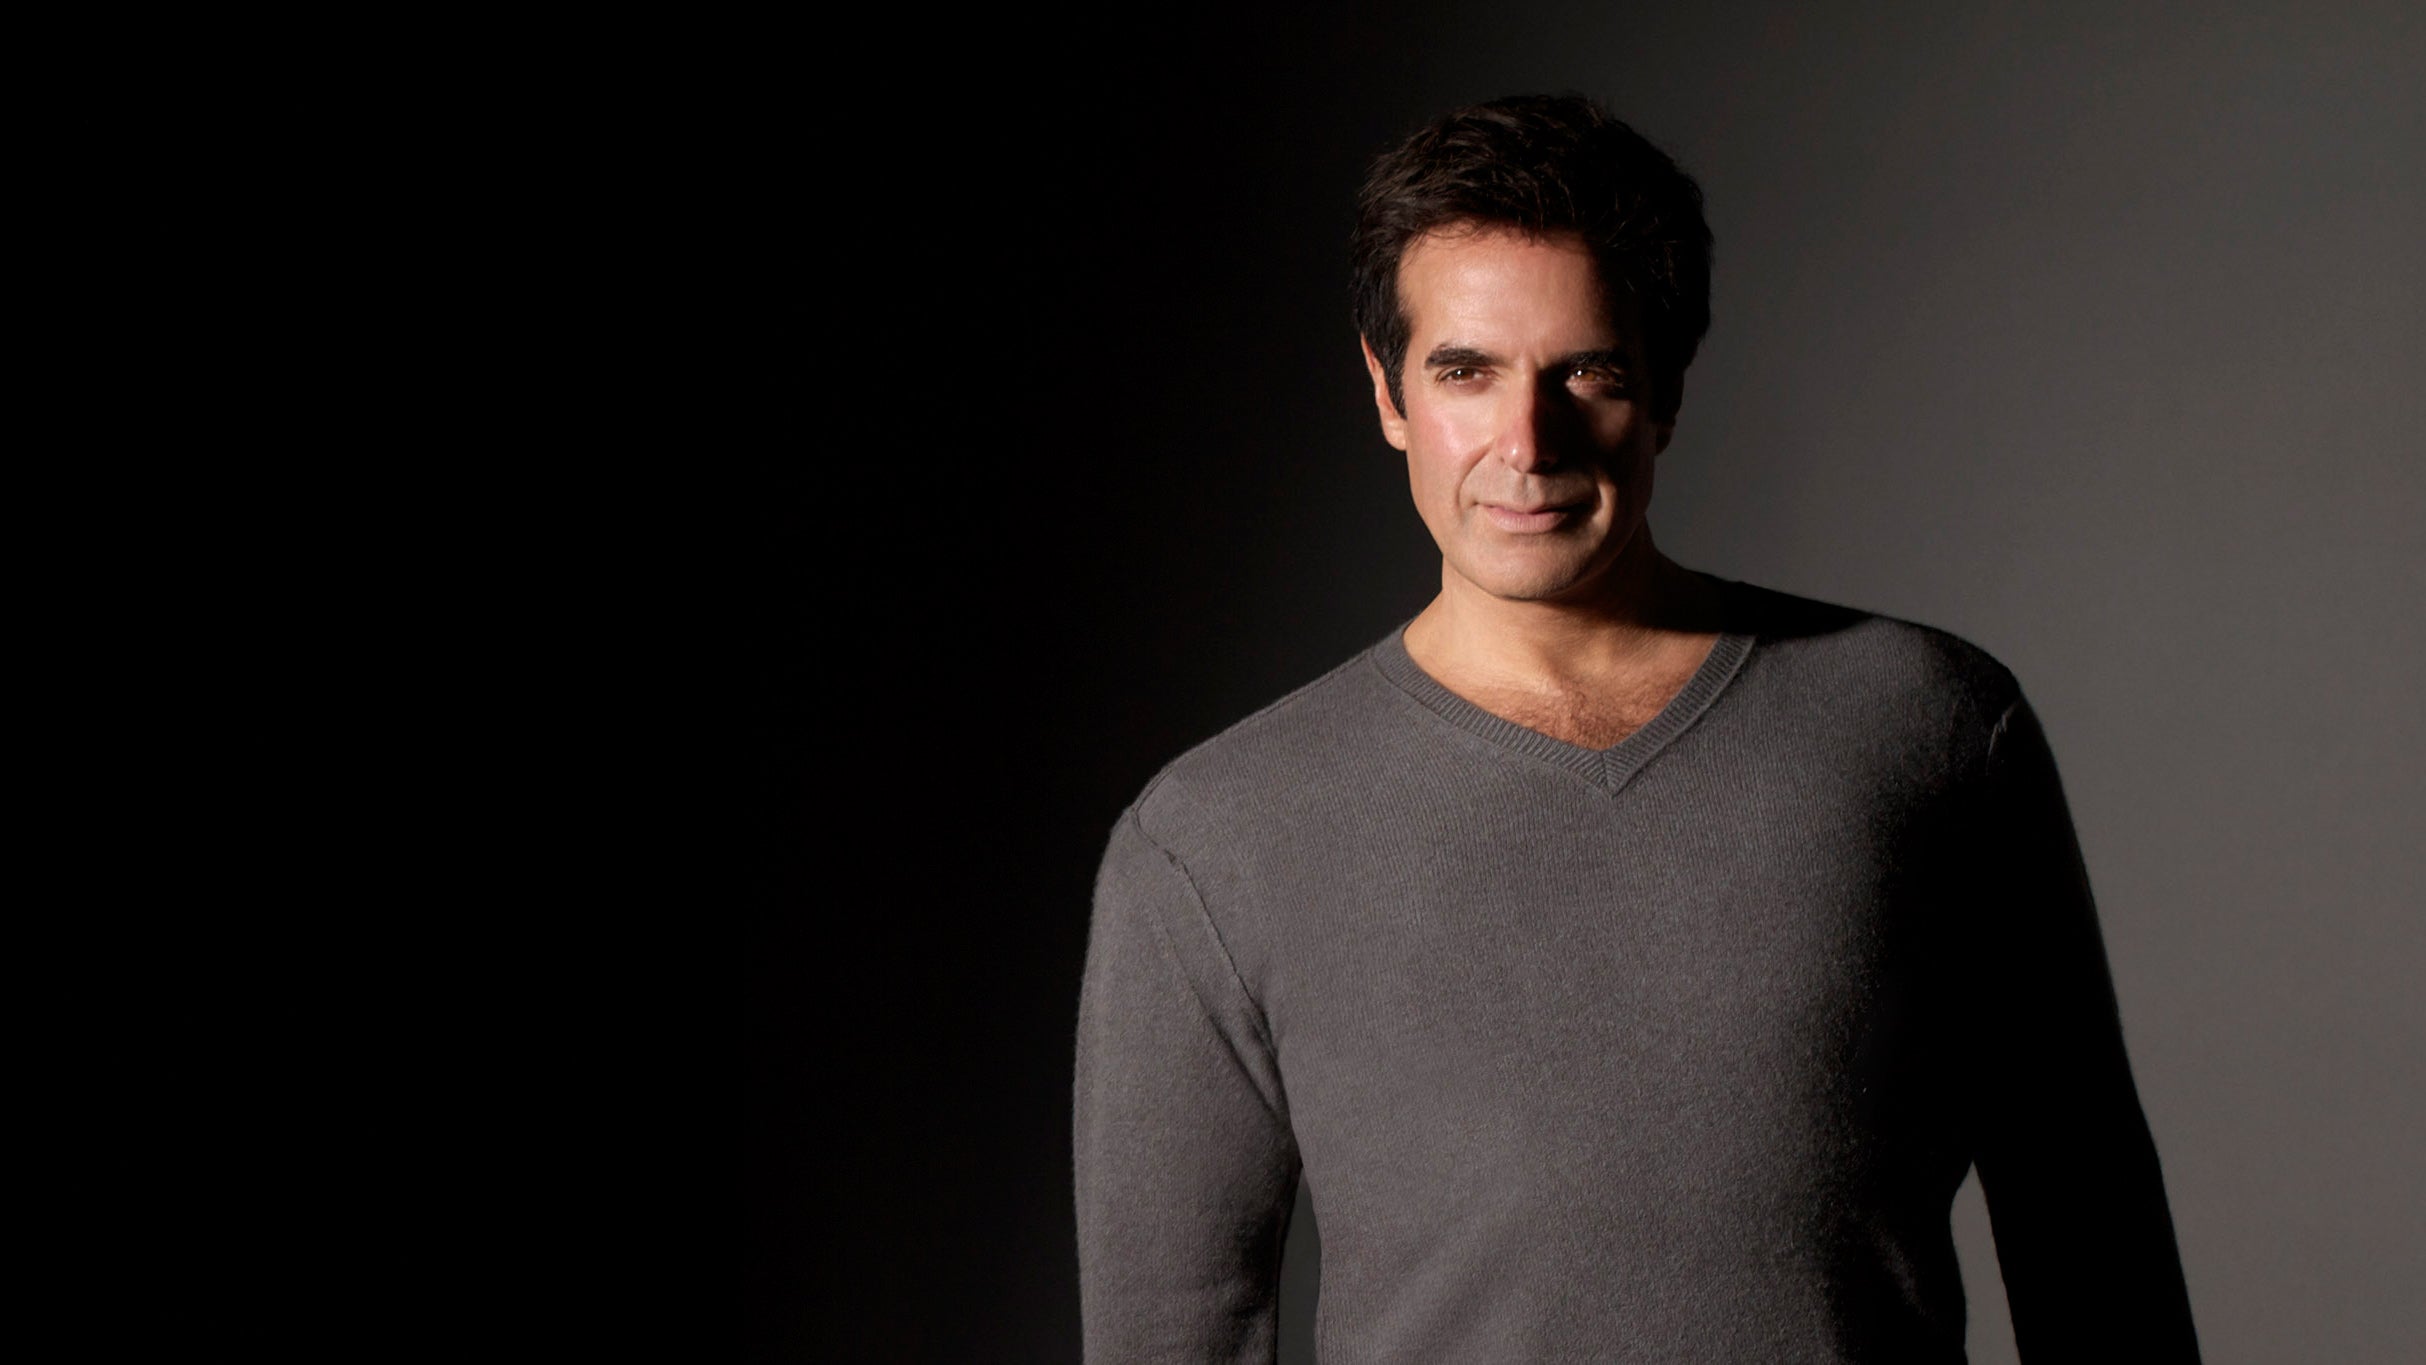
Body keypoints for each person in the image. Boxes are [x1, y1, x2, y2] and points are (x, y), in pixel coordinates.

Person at [1072, 94, 2199, 1362]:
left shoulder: (1926, 728)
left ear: (1663, 392)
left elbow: (2093, 1245)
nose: (1525, 441)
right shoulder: (1212, 838)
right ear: (1386, 392)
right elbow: (1165, 1333)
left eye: (1586, 373)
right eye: (1464, 372)